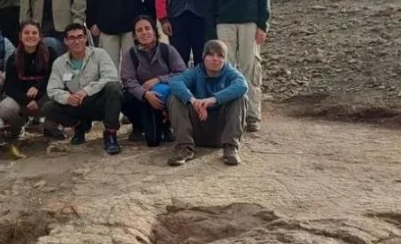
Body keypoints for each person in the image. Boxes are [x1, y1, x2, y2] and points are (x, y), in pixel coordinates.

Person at [209, 0, 271, 133]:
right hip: (224, 23)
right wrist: (211, 29)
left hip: (249, 23)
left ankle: (252, 115)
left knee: (249, 67)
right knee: (225, 67)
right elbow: (211, 2)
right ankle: (228, 114)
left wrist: (263, 25)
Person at [41, 23, 123, 154]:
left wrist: (86, 91)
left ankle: (110, 134)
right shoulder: (59, 63)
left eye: (80, 37)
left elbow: (111, 77)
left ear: (85, 38)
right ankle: (79, 126)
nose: (76, 41)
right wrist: (67, 98)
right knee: (48, 107)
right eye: (72, 38)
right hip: (76, 104)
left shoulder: (100, 54)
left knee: (114, 88)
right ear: (66, 41)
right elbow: (52, 89)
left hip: (98, 102)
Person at [165, 40, 248, 167]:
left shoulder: (230, 72)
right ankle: (184, 146)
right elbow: (174, 83)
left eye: (220, 55)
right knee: (174, 97)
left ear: (225, 59)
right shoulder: (194, 72)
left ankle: (230, 147)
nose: (215, 59)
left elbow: (242, 85)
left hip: (220, 132)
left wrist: (212, 100)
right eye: (211, 54)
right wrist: (193, 101)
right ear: (203, 57)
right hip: (197, 128)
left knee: (241, 97)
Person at [120, 16, 186, 146]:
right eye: (139, 30)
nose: (144, 32)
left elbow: (182, 73)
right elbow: (128, 80)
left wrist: (158, 80)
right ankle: (138, 126)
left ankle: (167, 125)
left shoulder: (167, 50)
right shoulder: (130, 54)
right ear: (135, 35)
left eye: (147, 28)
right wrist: (145, 94)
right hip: (143, 99)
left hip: (165, 96)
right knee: (123, 96)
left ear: (154, 31)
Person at [0, 20, 55, 139]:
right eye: (26, 33)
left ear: (40, 36)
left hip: (44, 97)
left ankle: (50, 128)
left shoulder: (50, 53)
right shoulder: (13, 58)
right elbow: (10, 87)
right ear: (20, 36)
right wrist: (26, 101)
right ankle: (19, 126)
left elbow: (54, 77)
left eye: (34, 33)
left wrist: (38, 87)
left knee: (58, 99)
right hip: (22, 100)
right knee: (4, 109)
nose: (30, 36)